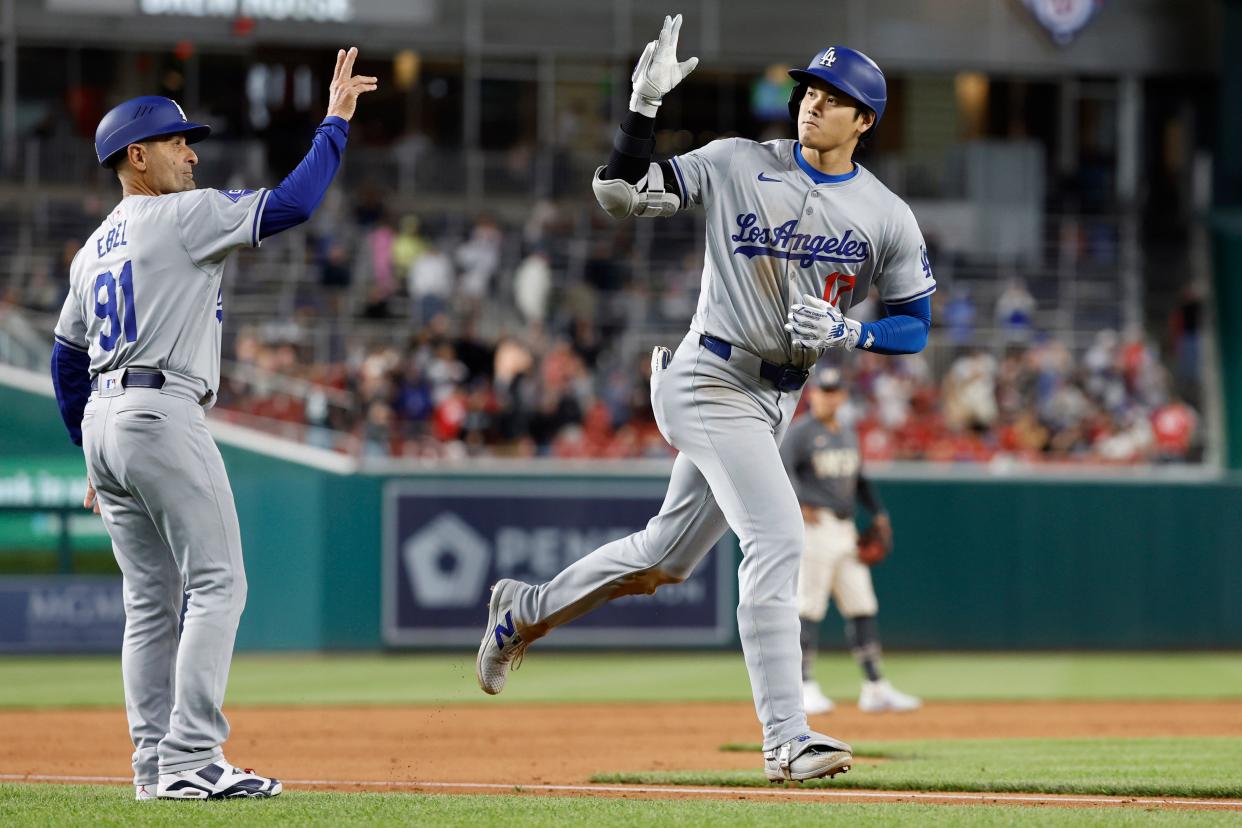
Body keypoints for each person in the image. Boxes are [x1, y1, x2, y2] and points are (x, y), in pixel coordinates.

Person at [475, 15, 935, 784]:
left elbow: (915, 326)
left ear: (865, 119)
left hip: (774, 398)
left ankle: (520, 611)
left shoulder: (885, 213)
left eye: (832, 96)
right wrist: (641, 110)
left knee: (662, 559)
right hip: (708, 376)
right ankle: (786, 739)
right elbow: (620, 194)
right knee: (781, 538)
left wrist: (854, 336)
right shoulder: (734, 161)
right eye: (808, 90)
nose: (812, 103)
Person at [49, 48, 376, 801]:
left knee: (148, 606)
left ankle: (152, 770)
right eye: (176, 142)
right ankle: (192, 757)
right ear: (137, 156)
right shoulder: (183, 215)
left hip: (105, 420)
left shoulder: (92, 250)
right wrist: (334, 122)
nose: (191, 154)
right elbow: (292, 205)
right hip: (161, 410)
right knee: (218, 583)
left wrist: (87, 456)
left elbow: (67, 357)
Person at [782, 368, 922, 715]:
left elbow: (859, 479)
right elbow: (782, 468)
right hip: (815, 530)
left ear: (843, 396)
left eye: (835, 391)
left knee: (862, 606)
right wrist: (798, 503)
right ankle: (802, 686)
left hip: (846, 530)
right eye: (823, 391)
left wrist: (877, 511)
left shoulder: (847, 433)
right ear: (813, 395)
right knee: (808, 607)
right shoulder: (800, 433)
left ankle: (875, 687)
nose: (829, 396)